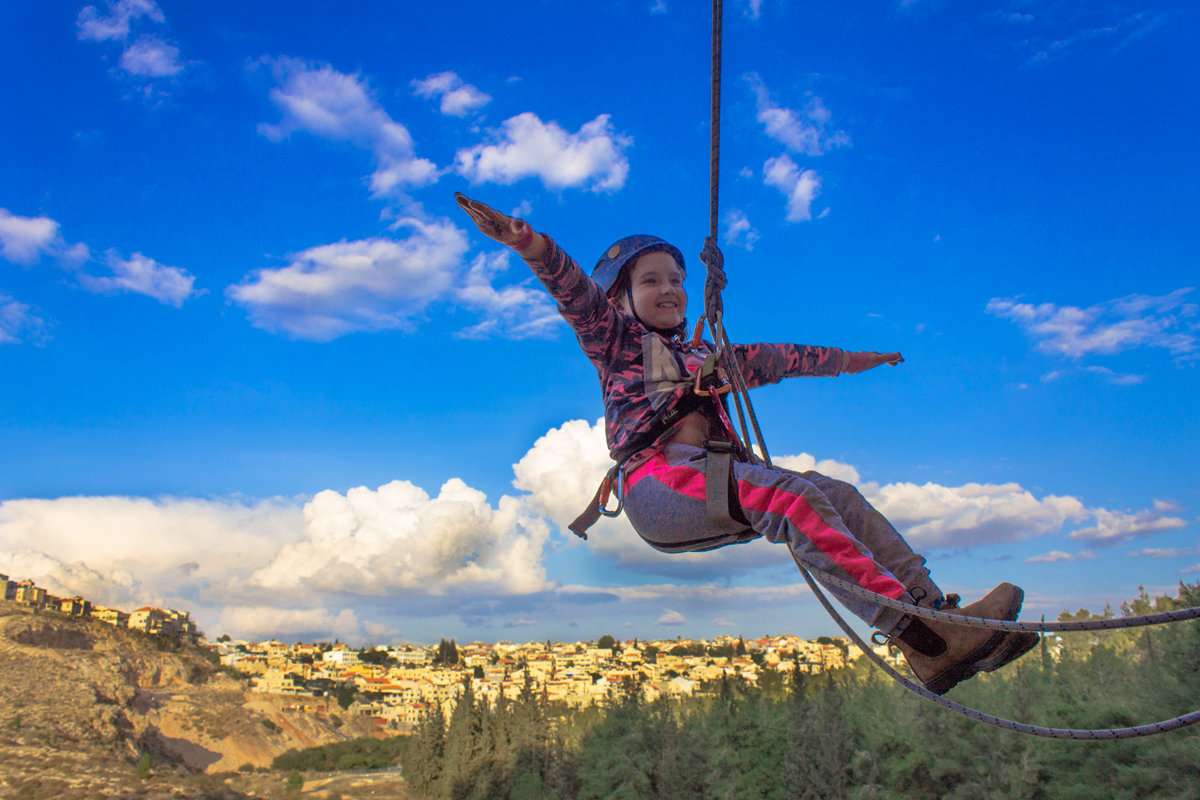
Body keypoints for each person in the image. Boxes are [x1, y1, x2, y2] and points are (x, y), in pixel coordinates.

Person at [456, 192, 1037, 695]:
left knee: (839, 495)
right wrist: (526, 242)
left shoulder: (709, 358)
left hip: (709, 481)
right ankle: (924, 638)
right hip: (657, 484)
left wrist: (866, 360)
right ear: (620, 299)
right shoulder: (617, 342)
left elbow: (792, 358)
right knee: (792, 499)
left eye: (677, 280)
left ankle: (934, 618)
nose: (671, 289)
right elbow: (574, 291)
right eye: (651, 280)